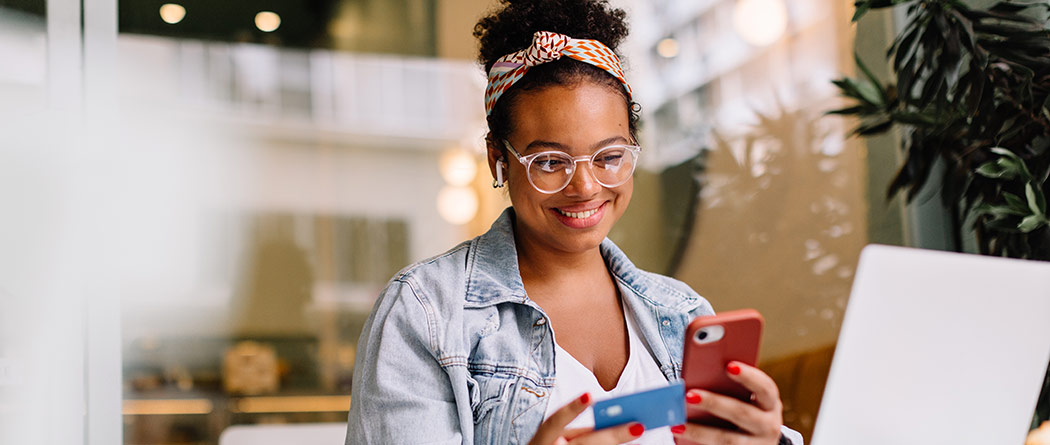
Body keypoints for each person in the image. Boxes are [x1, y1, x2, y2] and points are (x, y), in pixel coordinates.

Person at [346, 0, 803, 443]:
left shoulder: (681, 313)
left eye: (609, 156)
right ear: (497, 159)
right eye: (549, 161)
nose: (584, 186)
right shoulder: (425, 314)